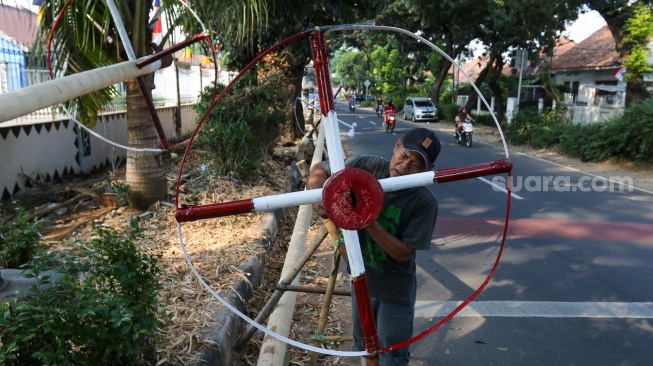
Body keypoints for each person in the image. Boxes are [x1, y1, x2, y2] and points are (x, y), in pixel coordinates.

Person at [308, 128, 441, 366]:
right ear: (396, 145)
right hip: (362, 281)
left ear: (426, 172)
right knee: (365, 348)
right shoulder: (368, 167)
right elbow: (321, 168)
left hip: (394, 292)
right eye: (404, 155)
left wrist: (368, 220)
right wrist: (318, 191)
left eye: (416, 164)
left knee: (392, 356)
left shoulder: (423, 202)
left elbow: (402, 253)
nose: (404, 165)